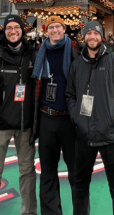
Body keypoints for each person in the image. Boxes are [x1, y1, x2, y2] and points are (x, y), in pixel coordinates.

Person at [66, 21, 114, 215]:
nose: (92, 37)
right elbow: (70, 95)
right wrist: (76, 118)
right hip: (84, 135)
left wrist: (113, 117)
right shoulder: (77, 64)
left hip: (111, 136)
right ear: (84, 37)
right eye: (88, 33)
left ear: (101, 37)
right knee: (80, 186)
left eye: (95, 33)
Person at [0, 15, 37, 215]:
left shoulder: (32, 54)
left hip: (25, 124)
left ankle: (28, 212)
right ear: (5, 31)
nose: (13, 31)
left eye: (16, 27)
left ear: (22, 30)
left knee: (28, 172)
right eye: (9, 28)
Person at [31, 15, 78, 215]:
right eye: (51, 27)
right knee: (48, 172)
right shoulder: (38, 54)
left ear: (64, 29)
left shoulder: (76, 53)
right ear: (46, 30)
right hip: (46, 118)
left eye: (58, 26)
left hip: (69, 119)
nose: (55, 30)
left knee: (77, 172)